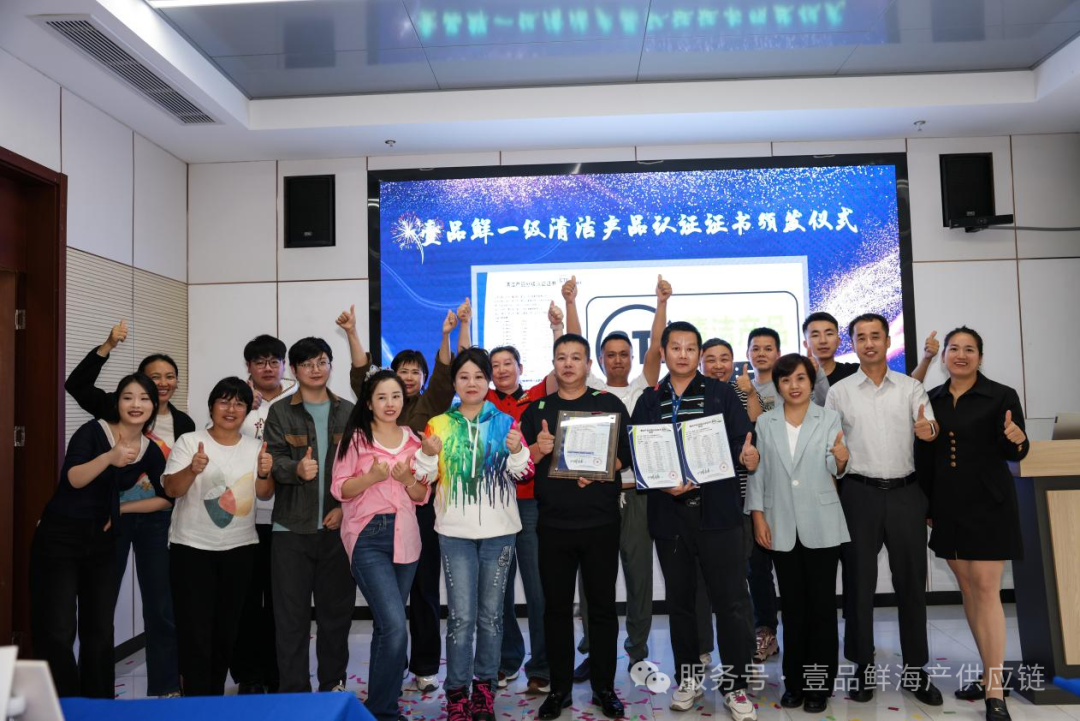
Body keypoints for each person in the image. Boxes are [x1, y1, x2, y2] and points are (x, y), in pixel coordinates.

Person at [631, 322, 758, 721]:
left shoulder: (721, 393)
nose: (683, 354)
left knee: (731, 602)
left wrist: (748, 456)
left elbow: (742, 441)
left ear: (698, 354)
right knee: (681, 602)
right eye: (676, 347)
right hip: (669, 516)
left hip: (717, 513)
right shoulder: (650, 399)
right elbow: (638, 451)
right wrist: (661, 482)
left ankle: (736, 685)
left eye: (690, 348)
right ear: (663, 353)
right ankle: (688, 678)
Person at [64, 320, 187, 697]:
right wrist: (108, 345)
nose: (162, 383)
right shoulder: (114, 410)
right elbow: (76, 385)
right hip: (108, 520)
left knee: (161, 606)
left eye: (169, 376)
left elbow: (174, 484)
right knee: (100, 606)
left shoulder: (183, 422)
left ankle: (165, 686)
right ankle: (95, 690)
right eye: (154, 377)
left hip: (156, 520)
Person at [824, 313, 943, 705]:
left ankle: (916, 670)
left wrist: (929, 431)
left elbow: (930, 427)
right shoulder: (839, 392)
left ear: (887, 340)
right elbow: (832, 447)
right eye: (861, 337)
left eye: (876, 336)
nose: (869, 343)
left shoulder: (910, 387)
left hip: (906, 493)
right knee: (858, 586)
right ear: (853, 344)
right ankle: (862, 666)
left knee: (912, 585)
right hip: (859, 495)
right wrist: (836, 460)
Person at [347, 303, 463, 693]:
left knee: (425, 590)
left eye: (416, 372)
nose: (409, 377)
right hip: (378, 512)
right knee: (391, 608)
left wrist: (446, 335)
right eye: (402, 371)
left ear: (424, 378)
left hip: (419, 506)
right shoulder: (376, 413)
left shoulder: (429, 406)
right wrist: (352, 333)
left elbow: (446, 377)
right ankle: (390, 669)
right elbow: (362, 374)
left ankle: (425, 665)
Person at [414, 347, 534, 721]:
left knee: (491, 617)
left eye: (479, 376)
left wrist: (518, 451)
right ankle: (456, 693)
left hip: (500, 534)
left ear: (488, 381)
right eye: (464, 376)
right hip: (454, 534)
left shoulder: (506, 423)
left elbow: (524, 474)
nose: (472, 383)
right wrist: (427, 454)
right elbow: (424, 478)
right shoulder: (438, 424)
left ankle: (484, 691)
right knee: (461, 618)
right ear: (454, 382)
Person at [31, 373, 168, 698]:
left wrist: (121, 510)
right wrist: (110, 457)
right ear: (117, 402)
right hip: (59, 537)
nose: (136, 404)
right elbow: (73, 478)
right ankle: (62, 703)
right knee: (58, 628)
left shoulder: (150, 449)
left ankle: (99, 704)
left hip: (103, 542)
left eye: (144, 398)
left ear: (154, 405)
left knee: (100, 630)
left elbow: (166, 498)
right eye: (128, 397)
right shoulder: (93, 431)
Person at [520, 333, 632, 720]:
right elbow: (520, 465)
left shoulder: (609, 404)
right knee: (556, 610)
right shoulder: (538, 409)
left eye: (576, 357)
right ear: (554, 364)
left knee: (601, 609)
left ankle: (604, 688)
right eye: (561, 357)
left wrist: (601, 470)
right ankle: (560, 690)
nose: (568, 364)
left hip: (601, 522)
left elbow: (626, 452)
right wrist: (539, 449)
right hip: (554, 525)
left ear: (588, 364)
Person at [563, 273, 667, 680]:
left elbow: (657, 347)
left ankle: (638, 650)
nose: (618, 359)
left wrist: (661, 304)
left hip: (637, 496)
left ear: (632, 357)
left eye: (624, 353)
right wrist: (571, 302)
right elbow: (575, 344)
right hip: (599, 498)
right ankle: (594, 649)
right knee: (594, 582)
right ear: (600, 361)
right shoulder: (593, 390)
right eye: (611, 354)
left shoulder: (643, 389)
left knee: (640, 580)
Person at [921, 327, 1027, 721]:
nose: (961, 355)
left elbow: (1016, 449)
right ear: (944, 356)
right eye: (954, 349)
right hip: (948, 506)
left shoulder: (1001, 395)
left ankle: (995, 690)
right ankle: (987, 675)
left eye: (969, 349)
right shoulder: (931, 399)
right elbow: (926, 456)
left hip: (988, 504)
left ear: (980, 357)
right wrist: (928, 504)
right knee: (968, 589)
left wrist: (1018, 439)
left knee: (985, 589)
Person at [744, 354, 850, 714]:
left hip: (822, 523)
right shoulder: (766, 422)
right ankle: (794, 683)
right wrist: (758, 517)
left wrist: (841, 458)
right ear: (777, 385)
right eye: (786, 380)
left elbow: (834, 464)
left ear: (810, 381)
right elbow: (758, 472)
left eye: (801, 378)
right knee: (792, 608)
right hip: (780, 523)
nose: (794, 386)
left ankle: (818, 685)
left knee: (821, 608)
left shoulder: (828, 417)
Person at [163, 378, 274, 696]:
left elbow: (264, 493)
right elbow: (171, 489)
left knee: (228, 628)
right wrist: (192, 469)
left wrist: (264, 472)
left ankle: (213, 694)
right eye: (224, 401)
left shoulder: (255, 447)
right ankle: (197, 697)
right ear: (211, 406)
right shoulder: (190, 441)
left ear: (247, 410)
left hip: (240, 549)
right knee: (195, 629)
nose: (231, 409)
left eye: (239, 403)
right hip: (191, 549)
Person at [331, 370, 432, 721]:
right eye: (382, 397)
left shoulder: (414, 441)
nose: (390, 403)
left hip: (406, 537)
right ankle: (385, 712)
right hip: (367, 537)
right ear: (369, 403)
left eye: (396, 396)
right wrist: (371, 477)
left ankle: (378, 706)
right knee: (394, 625)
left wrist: (407, 480)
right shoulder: (356, 439)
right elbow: (340, 489)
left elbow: (422, 495)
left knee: (386, 627)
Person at [264, 337, 356, 693]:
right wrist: (295, 470)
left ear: (331, 365)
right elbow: (273, 459)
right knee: (291, 619)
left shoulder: (348, 412)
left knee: (336, 616)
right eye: (306, 364)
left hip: (337, 531)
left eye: (322, 362)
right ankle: (294, 691)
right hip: (291, 530)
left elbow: (359, 467)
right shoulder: (280, 411)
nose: (315, 369)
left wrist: (344, 508)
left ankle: (333, 684)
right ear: (294, 369)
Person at [490, 302, 565, 694]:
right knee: (499, 590)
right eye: (495, 365)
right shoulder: (483, 402)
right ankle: (507, 661)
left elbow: (561, 370)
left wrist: (557, 327)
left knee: (538, 590)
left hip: (533, 504)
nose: (502, 370)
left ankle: (542, 666)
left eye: (508, 363)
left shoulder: (536, 395)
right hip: (496, 506)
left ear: (520, 367)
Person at [232, 333, 296, 694]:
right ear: (249, 366)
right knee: (244, 600)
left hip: (285, 515)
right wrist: (243, 404)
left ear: (285, 365)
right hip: (244, 516)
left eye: (274, 361)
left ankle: (277, 671)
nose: (268, 368)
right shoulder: (237, 399)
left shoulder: (298, 397)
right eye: (260, 361)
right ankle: (249, 675)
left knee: (280, 601)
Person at [697, 338, 766, 666]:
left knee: (738, 582)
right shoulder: (694, 396)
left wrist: (750, 393)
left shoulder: (742, 393)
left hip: (738, 502)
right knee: (700, 584)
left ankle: (745, 650)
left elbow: (757, 429)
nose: (718, 365)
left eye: (724, 358)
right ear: (700, 363)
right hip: (700, 502)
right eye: (710, 359)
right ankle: (702, 648)